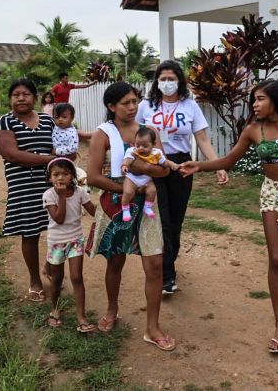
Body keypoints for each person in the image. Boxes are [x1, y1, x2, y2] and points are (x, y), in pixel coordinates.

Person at [180, 80, 278, 354]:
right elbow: (228, 161)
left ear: (275, 99)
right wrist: (200, 165)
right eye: (254, 100)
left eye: (260, 99)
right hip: (272, 195)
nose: (255, 104)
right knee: (276, 258)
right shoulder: (253, 130)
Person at [86, 82, 176, 351]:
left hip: (147, 204)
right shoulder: (103, 134)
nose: (132, 106)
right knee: (115, 262)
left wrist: (136, 171)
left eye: (135, 101)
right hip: (117, 203)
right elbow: (92, 177)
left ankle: (153, 327)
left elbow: (164, 171)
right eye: (125, 102)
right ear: (111, 107)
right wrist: (126, 188)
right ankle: (112, 310)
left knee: (155, 265)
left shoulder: (148, 132)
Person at [136, 60, 228, 295]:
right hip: (153, 164)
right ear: (156, 81)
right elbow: (133, 135)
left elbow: (203, 139)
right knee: (161, 219)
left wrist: (216, 165)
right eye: (163, 79)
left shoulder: (190, 105)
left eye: (172, 79)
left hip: (182, 165)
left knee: (176, 220)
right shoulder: (146, 106)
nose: (167, 83)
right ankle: (167, 276)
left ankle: (169, 263)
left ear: (180, 81)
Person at [0, 78, 56, 301]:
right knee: (30, 233)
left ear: (35, 98)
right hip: (23, 185)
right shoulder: (4, 122)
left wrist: (61, 161)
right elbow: (12, 154)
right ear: (10, 99)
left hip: (51, 183)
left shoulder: (48, 120)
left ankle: (50, 266)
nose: (21, 98)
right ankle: (34, 280)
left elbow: (57, 146)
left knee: (60, 228)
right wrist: (51, 159)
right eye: (16, 95)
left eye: (26, 94)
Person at [42, 157, 97, 332]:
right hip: (56, 242)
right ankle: (55, 310)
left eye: (65, 174)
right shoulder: (49, 195)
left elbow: (92, 210)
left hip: (76, 240)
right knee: (57, 279)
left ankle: (81, 317)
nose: (60, 178)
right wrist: (62, 197)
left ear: (72, 175)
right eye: (55, 175)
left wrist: (107, 212)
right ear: (50, 177)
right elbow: (59, 218)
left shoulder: (80, 192)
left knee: (76, 277)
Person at [120, 128, 179, 222]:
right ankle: (125, 209)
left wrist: (172, 164)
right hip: (132, 178)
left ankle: (147, 207)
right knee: (127, 192)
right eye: (138, 145)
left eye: (145, 146)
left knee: (152, 190)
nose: (141, 148)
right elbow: (128, 159)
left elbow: (164, 162)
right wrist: (124, 165)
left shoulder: (156, 153)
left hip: (146, 179)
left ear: (153, 144)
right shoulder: (132, 151)